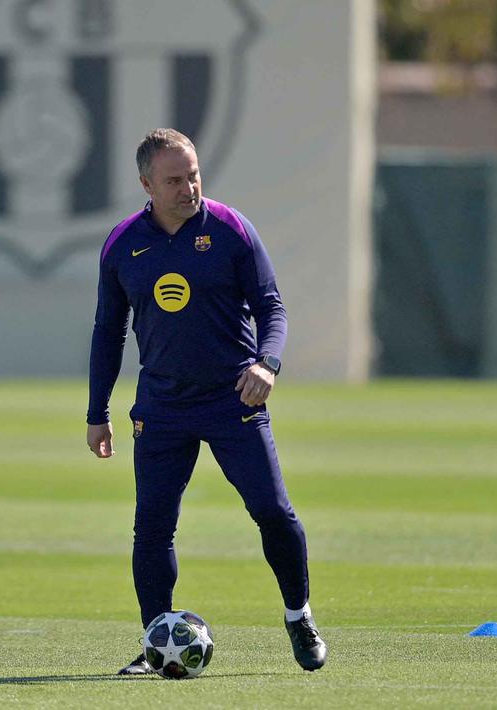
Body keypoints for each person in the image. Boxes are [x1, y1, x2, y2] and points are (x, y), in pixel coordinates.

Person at [86, 128, 326, 675]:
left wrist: (267, 363)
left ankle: (299, 615)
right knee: (152, 528)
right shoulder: (123, 245)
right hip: (163, 408)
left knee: (273, 511)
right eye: (173, 180)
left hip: (232, 400)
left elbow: (272, 307)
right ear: (146, 184)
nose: (188, 187)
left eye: (192, 175)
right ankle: (156, 640)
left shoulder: (232, 230)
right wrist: (97, 412)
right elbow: (107, 332)